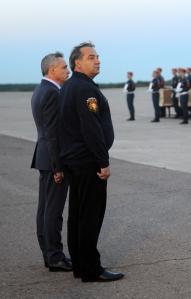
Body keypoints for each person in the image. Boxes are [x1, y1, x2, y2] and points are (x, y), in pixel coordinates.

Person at [58, 42, 123, 282]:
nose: (97, 60)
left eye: (98, 56)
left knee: (78, 214)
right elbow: (91, 129)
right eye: (91, 57)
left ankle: (80, 265)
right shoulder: (84, 89)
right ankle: (91, 269)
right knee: (90, 216)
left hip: (75, 160)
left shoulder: (70, 85)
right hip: (87, 162)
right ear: (78, 62)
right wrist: (102, 162)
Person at [31, 52, 72, 272]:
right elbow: (53, 132)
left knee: (45, 209)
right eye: (64, 67)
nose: (68, 70)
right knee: (53, 211)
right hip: (53, 158)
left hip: (44, 156)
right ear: (52, 70)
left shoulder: (40, 90)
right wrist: (58, 166)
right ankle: (55, 256)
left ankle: (49, 254)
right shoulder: (53, 93)